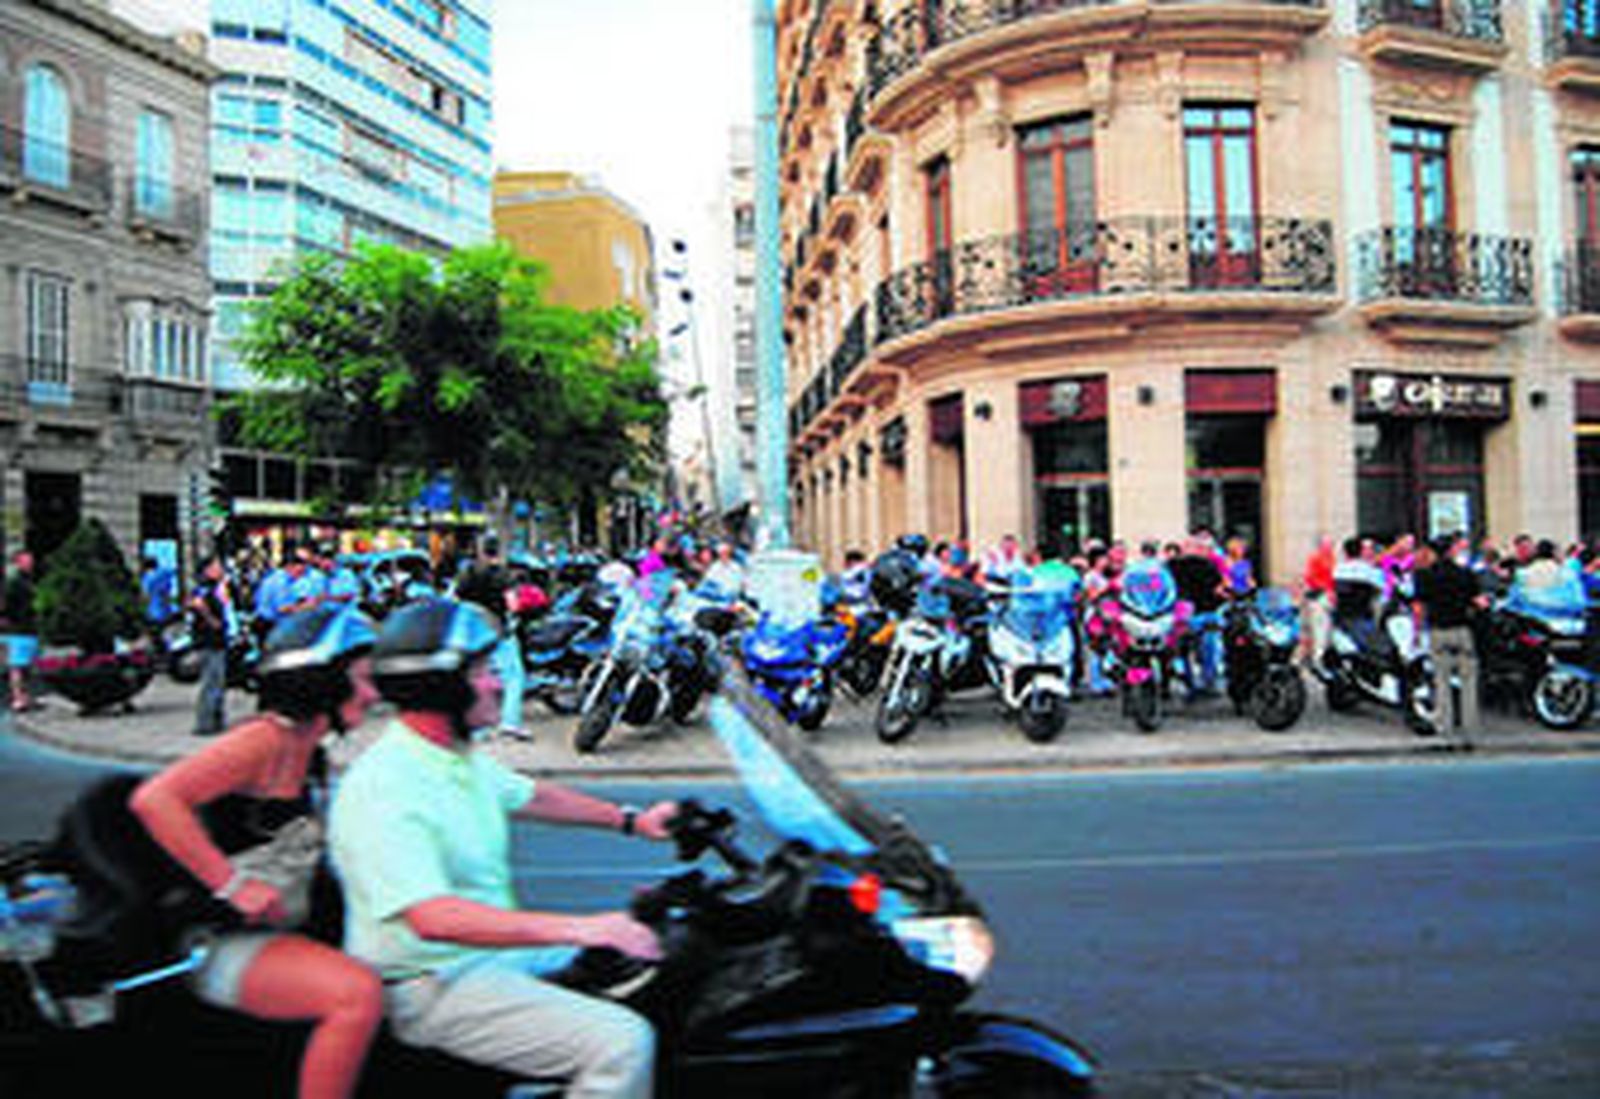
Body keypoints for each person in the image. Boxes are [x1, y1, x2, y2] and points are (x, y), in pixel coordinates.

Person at [328, 599, 675, 1098]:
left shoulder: (452, 757)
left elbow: (535, 795)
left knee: (648, 962)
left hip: (483, 960)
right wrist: (585, 925)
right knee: (621, 1043)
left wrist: (634, 821)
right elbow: (434, 917)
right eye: (484, 671)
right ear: (442, 684)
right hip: (433, 985)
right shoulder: (386, 786)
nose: (497, 683)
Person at [129, 605, 384, 1099]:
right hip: (222, 941)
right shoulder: (261, 740)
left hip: (281, 930)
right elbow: (156, 799)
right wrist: (232, 883)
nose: (373, 694)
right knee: (356, 996)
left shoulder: (309, 751)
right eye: (362, 679)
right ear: (322, 681)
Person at [453, 536, 529, 741]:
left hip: (471, 633)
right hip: (497, 632)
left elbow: (456, 599)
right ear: (498, 551)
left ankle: (478, 728)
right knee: (514, 676)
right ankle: (510, 723)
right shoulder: (504, 575)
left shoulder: (467, 572)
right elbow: (513, 605)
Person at [1411, 534, 1486, 736]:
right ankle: (1470, 726)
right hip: (1462, 630)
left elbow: (1419, 607)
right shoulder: (1466, 574)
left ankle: (1445, 725)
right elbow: (1481, 602)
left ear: (1434, 552)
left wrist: (1416, 633)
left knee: (1441, 681)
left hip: (1437, 630)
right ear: (1452, 551)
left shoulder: (1424, 575)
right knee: (1468, 681)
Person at [2, 550, 39, 712]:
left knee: (28, 666)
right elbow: (7, 606)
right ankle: (17, 698)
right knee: (16, 666)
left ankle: (26, 696)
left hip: (32, 629)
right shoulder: (14, 583)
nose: (29, 564)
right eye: (26, 561)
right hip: (17, 630)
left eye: (30, 561)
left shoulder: (32, 581)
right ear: (18, 563)